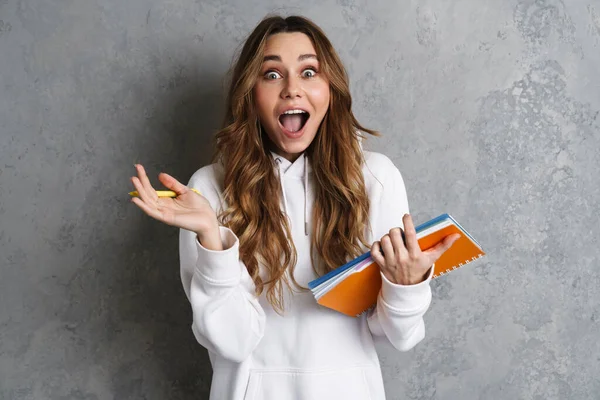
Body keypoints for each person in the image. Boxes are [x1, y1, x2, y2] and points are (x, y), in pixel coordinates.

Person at [130, 14, 458, 400]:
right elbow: (233, 342)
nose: (291, 90)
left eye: (308, 72)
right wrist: (210, 239)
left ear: (329, 89)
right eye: (271, 75)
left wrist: (405, 286)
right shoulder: (207, 189)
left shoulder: (376, 178)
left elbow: (399, 337)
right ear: (249, 93)